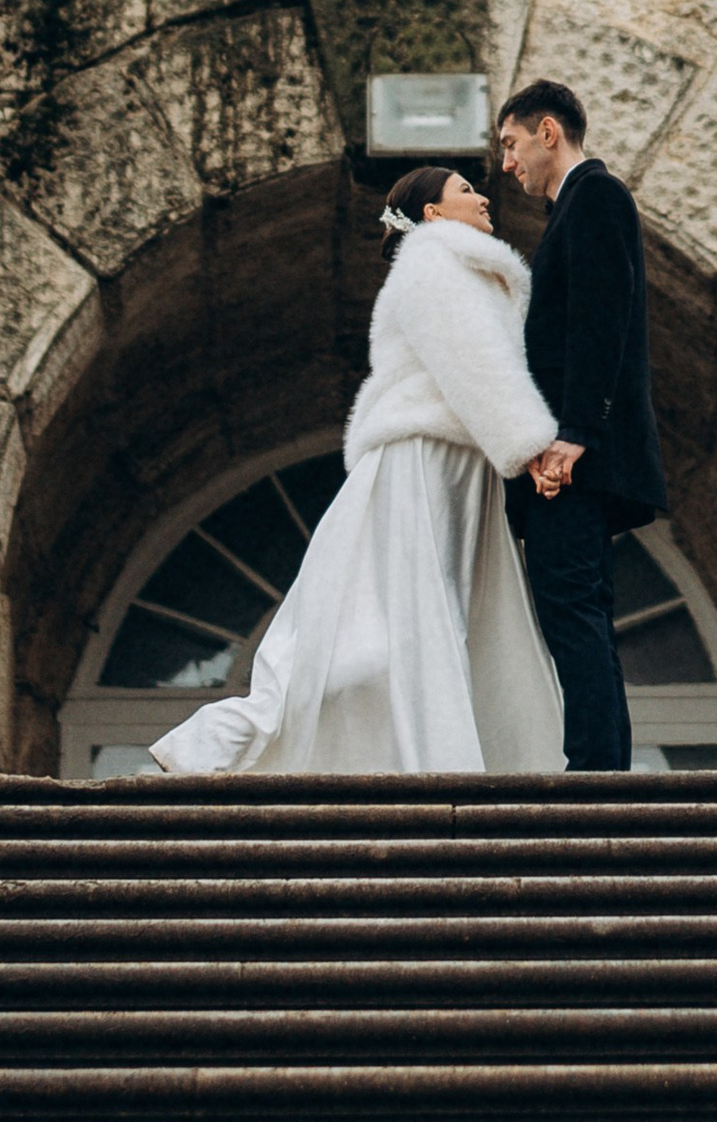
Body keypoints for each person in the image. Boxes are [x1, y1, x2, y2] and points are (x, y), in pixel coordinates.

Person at [149, 163, 566, 777]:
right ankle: (230, 739)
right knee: (406, 613)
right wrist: (531, 443)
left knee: (432, 615)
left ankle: (424, 753)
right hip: (429, 457)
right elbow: (471, 358)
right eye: (465, 190)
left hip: (454, 461)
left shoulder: (453, 264)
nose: (482, 197)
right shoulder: (436, 260)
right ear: (431, 213)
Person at [495, 76, 668, 772]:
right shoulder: (571, 210)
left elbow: (603, 320)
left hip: (577, 459)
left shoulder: (596, 196)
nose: (507, 164)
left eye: (511, 144)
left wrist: (575, 433)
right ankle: (600, 760)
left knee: (572, 607)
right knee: (579, 607)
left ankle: (595, 765)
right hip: (579, 452)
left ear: (548, 132)